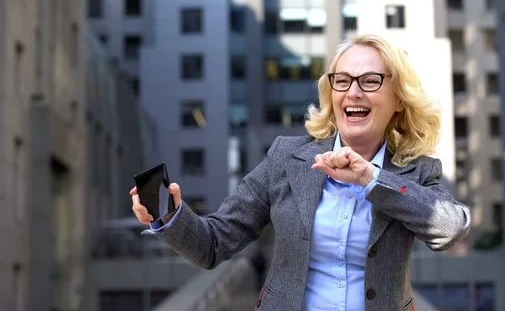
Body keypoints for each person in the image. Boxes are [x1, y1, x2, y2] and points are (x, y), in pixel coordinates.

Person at [130, 34, 470, 311]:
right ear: (331, 92)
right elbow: (213, 244)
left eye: (370, 81)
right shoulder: (286, 157)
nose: (353, 91)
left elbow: (450, 228)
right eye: (343, 81)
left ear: (398, 98)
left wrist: (372, 180)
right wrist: (171, 216)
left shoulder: (416, 170)